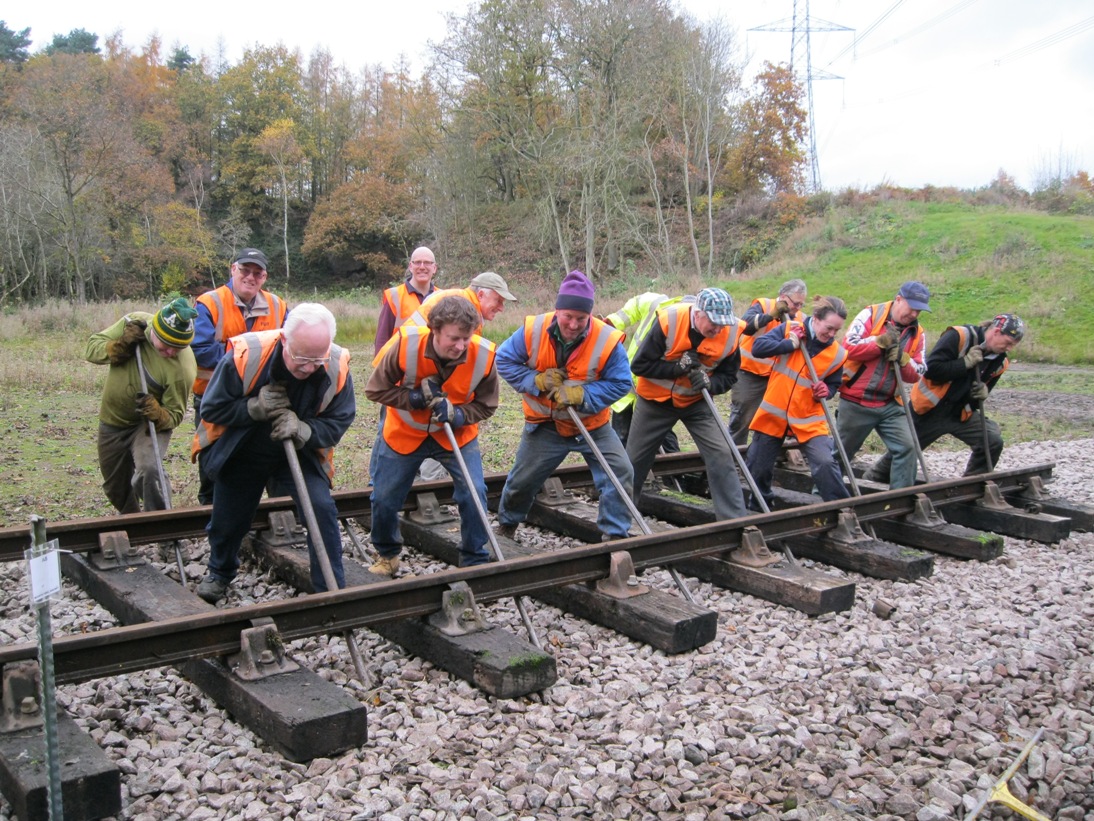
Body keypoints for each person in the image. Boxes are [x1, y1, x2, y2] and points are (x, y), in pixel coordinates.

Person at [193, 303, 354, 603]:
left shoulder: (335, 364)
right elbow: (212, 408)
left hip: (300, 452)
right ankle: (220, 572)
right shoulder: (247, 355)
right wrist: (253, 408)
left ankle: (331, 587)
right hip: (245, 450)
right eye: (300, 358)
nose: (308, 368)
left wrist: (304, 430)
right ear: (284, 340)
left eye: (315, 359)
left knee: (321, 509)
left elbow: (340, 419)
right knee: (228, 519)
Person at [365, 295, 499, 576]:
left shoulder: (483, 355)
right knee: (384, 498)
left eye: (467, 337)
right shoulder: (406, 344)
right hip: (404, 432)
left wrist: (459, 415)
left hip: (456, 435)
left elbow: (487, 405)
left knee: (474, 493)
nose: (461, 345)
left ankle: (474, 557)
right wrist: (413, 398)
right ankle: (388, 553)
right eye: (454, 338)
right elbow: (375, 389)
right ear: (435, 329)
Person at [496, 270, 634, 541]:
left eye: (581, 318)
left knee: (620, 473)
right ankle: (507, 525)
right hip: (545, 425)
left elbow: (621, 383)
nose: (573, 324)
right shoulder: (533, 329)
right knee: (522, 482)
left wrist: (583, 395)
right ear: (557, 310)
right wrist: (535, 380)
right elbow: (504, 360)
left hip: (592, 425)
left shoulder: (606, 339)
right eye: (568, 316)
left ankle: (615, 536)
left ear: (590, 316)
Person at [626, 287, 748, 521]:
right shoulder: (669, 321)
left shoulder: (731, 333)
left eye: (723, 324)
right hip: (655, 402)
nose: (718, 329)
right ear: (698, 313)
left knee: (722, 454)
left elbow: (730, 376)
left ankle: (734, 522)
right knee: (634, 461)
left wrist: (710, 384)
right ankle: (620, 517)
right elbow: (639, 366)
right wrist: (677, 368)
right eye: (713, 323)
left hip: (697, 402)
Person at [867, 313, 1026, 480]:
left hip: (960, 414)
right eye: (1008, 343)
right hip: (930, 410)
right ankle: (872, 480)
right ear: (996, 332)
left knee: (991, 442)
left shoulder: (1000, 362)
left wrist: (981, 394)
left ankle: (972, 486)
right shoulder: (959, 336)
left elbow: (978, 399)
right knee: (905, 452)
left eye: (1012, 345)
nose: (1009, 349)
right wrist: (964, 363)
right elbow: (930, 370)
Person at [192, 247, 288, 504]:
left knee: (267, 455)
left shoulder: (278, 305)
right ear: (233, 270)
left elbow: (287, 347)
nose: (251, 277)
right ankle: (211, 509)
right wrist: (248, 357)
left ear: (264, 277)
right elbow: (200, 350)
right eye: (245, 270)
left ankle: (273, 512)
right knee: (213, 454)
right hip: (215, 396)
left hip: (262, 399)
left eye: (258, 273)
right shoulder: (209, 302)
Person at [85, 298, 198, 514]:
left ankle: (161, 525)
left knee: (149, 470)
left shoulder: (183, 368)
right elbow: (91, 349)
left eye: (179, 347)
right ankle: (134, 522)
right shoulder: (134, 324)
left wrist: (158, 413)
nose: (171, 353)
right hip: (113, 420)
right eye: (167, 347)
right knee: (115, 486)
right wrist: (119, 347)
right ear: (155, 332)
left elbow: (175, 415)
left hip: (146, 426)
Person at [744, 297, 850, 510]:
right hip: (774, 411)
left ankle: (843, 509)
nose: (831, 335)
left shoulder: (838, 353)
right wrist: (789, 344)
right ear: (817, 319)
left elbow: (834, 384)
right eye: (828, 328)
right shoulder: (790, 329)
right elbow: (758, 348)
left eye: (835, 331)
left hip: (808, 416)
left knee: (825, 463)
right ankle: (759, 507)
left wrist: (826, 391)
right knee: (758, 466)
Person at [837, 281, 930, 490]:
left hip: (889, 404)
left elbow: (918, 372)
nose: (914, 314)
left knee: (908, 447)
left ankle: (900, 499)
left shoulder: (918, 334)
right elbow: (848, 347)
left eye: (919, 310)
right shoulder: (871, 314)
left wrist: (903, 359)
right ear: (898, 299)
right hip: (856, 400)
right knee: (842, 452)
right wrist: (880, 343)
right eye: (911, 307)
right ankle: (822, 495)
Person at [602, 291, 687, 450]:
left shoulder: (688, 328)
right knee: (621, 438)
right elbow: (633, 306)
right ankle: (624, 472)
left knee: (660, 435)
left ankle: (675, 472)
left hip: (655, 389)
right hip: (629, 385)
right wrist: (612, 322)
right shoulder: (656, 303)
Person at [728, 279, 808, 446]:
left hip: (778, 378)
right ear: (783, 297)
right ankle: (734, 456)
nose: (798, 308)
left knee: (774, 420)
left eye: (802, 304)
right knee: (743, 418)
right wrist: (770, 316)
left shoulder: (801, 318)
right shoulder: (764, 305)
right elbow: (746, 325)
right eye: (796, 303)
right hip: (749, 373)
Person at [374, 245, 438, 356]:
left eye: (427, 263)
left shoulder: (442, 297)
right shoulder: (394, 296)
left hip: (433, 367)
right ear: (410, 266)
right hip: (401, 368)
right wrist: (380, 369)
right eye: (417, 262)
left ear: (434, 268)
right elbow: (382, 339)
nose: (422, 267)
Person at [405, 271, 517, 333]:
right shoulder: (463, 310)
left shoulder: (460, 299)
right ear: (481, 295)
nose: (501, 308)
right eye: (498, 301)